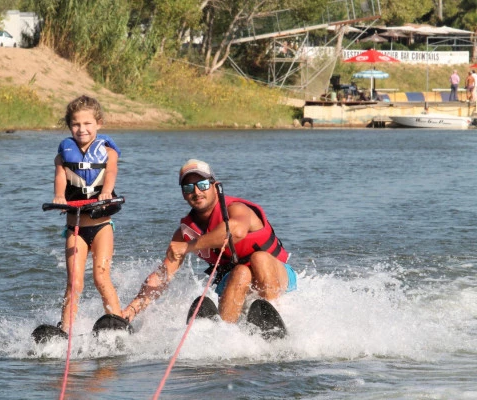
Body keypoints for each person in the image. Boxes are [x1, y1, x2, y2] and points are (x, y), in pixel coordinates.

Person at [121, 160, 297, 325]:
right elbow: (163, 276)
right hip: (234, 282)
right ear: (183, 193)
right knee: (241, 271)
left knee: (259, 258)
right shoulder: (185, 233)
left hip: (277, 275)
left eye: (202, 185)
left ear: (215, 186)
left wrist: (189, 247)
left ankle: (275, 318)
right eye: (189, 187)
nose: (196, 192)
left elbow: (236, 231)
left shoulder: (237, 209)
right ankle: (225, 332)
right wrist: (132, 309)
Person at [52, 95, 123, 333]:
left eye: (87, 124)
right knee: (74, 282)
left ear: (99, 123)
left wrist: (106, 192)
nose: (81, 129)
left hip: (102, 226)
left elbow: (110, 172)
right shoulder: (64, 154)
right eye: (75, 124)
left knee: (101, 277)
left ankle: (118, 320)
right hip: (76, 228)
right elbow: (61, 176)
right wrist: (59, 196)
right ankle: (66, 329)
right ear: (69, 125)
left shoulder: (108, 152)